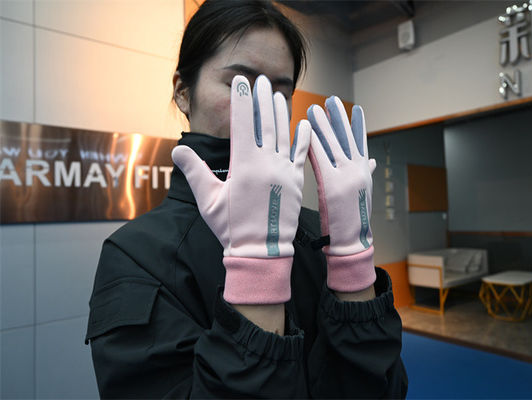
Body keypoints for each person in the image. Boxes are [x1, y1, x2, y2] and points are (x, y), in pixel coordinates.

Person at [85, 0, 408, 398]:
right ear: (183, 92)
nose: (261, 105)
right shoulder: (135, 255)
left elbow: (385, 389)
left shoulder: (317, 234)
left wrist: (353, 264)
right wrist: (257, 277)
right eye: (239, 84)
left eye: (279, 92)